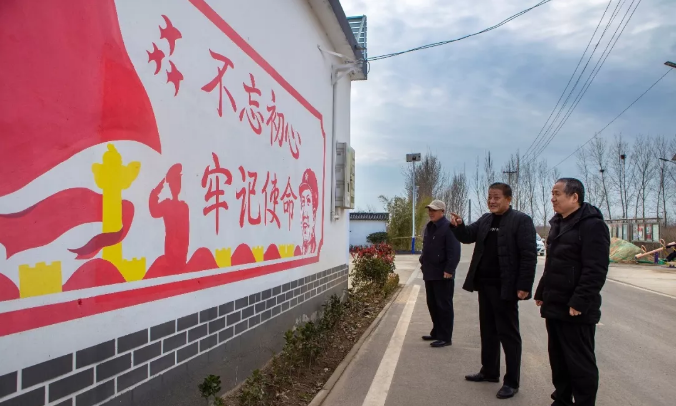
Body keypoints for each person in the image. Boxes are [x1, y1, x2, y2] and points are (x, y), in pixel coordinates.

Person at [449, 183, 537, 400]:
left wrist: (524, 286)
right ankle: (489, 371)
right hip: (485, 285)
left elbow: (528, 255)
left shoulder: (521, 220)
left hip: (505, 288)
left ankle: (512, 382)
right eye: (490, 197)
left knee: (508, 334)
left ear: (508, 199)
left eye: (496, 197)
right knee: (488, 330)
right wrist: (459, 226)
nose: (492, 201)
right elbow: (468, 236)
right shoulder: (486, 220)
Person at [534, 178, 610, 406]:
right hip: (555, 304)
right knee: (558, 360)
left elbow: (595, 269)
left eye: (557, 193)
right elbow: (553, 263)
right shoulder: (558, 223)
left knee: (580, 363)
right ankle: (562, 400)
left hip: (576, 309)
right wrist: (542, 290)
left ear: (574, 197)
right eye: (552, 194)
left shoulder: (592, 225)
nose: (552, 198)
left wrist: (579, 301)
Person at [418, 200, 461, 348]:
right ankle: (436, 331)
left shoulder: (449, 227)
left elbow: (454, 251)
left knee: (444, 305)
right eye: (430, 210)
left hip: (443, 274)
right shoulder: (430, 227)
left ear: (442, 211)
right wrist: (422, 261)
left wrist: (449, 270)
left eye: (434, 210)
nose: (431, 213)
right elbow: (426, 247)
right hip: (430, 272)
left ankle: (445, 337)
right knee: (432, 304)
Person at [299, 168, 318, 255]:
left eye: (308, 201)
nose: (304, 214)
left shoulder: (313, 249)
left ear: (314, 212)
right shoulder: (299, 250)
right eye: (303, 202)